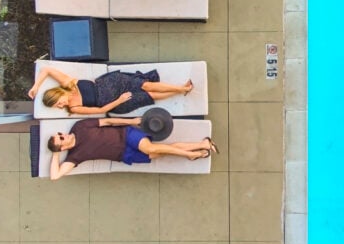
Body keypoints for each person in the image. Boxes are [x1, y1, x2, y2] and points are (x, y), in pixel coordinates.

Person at [47, 116, 219, 180]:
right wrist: (55, 155)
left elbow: (107, 121)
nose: (64, 134)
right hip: (124, 154)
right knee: (162, 150)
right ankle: (202, 145)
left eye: (60, 133)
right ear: (61, 147)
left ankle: (190, 154)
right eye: (61, 138)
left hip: (126, 135)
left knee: (150, 148)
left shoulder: (79, 127)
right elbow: (55, 176)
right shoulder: (74, 156)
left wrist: (131, 122)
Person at [29, 65, 193, 116]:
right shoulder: (74, 108)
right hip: (115, 102)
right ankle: (180, 91)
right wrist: (119, 100)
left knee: (146, 85)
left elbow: (47, 70)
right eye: (58, 107)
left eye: (58, 103)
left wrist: (36, 86)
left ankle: (181, 88)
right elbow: (101, 110)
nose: (60, 106)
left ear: (58, 94)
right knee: (149, 96)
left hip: (112, 82)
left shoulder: (68, 83)